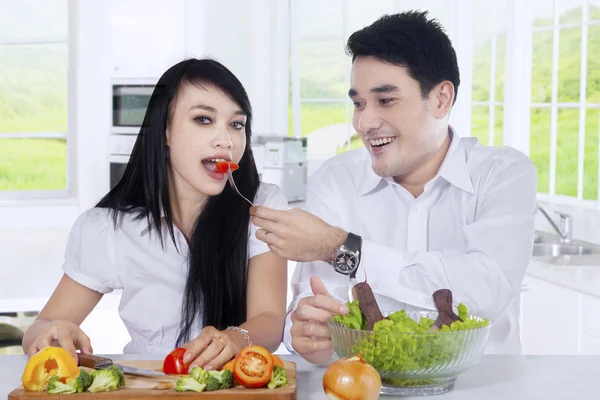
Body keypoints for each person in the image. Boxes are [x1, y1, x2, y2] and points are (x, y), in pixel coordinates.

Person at [250, 11, 537, 364]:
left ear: (441, 99)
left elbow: (486, 290)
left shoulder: (503, 173)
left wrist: (342, 247)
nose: (364, 122)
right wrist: (310, 332)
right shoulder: (336, 180)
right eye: (358, 103)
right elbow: (310, 308)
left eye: (385, 100)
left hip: (479, 388)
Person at [22, 58, 288, 371]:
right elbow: (40, 329)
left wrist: (234, 339)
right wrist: (53, 333)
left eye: (237, 124)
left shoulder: (261, 206)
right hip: (150, 384)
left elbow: (270, 320)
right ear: (164, 132)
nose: (226, 140)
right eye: (203, 119)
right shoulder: (109, 228)